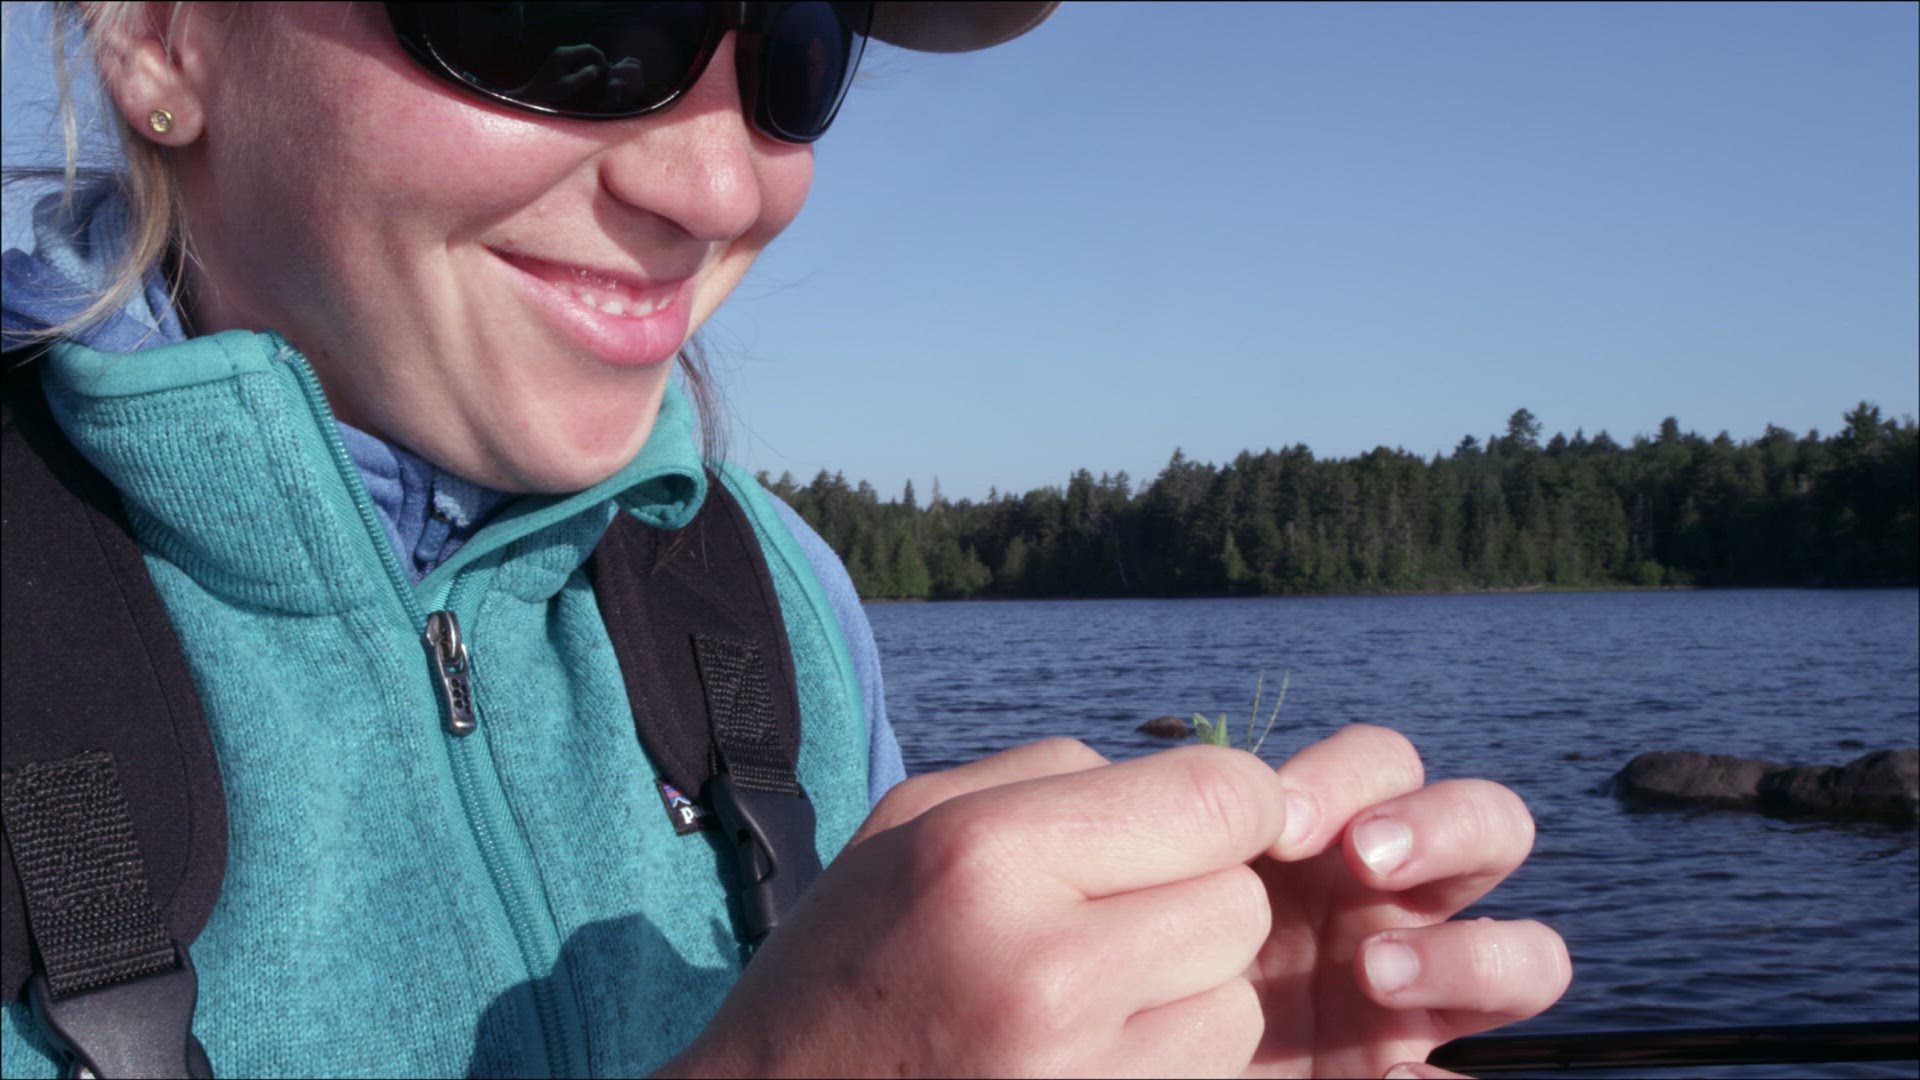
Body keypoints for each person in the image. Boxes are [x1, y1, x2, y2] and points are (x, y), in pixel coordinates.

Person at [0, 3, 1571, 1076]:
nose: (717, 184)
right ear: (161, 32)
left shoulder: (775, 600)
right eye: (580, 21)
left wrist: (1191, 1035)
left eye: (794, 48)